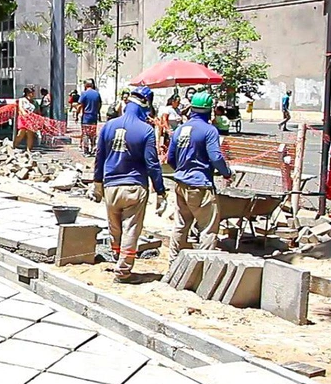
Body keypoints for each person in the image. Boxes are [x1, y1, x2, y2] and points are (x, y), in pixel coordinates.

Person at [89, 86, 167, 284]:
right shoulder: (146, 130)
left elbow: (100, 157)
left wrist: (97, 182)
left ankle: (117, 257)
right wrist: (160, 191)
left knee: (114, 227)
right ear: (145, 106)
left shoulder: (108, 126)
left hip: (111, 186)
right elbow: (152, 163)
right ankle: (123, 272)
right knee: (131, 228)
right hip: (134, 187)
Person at [167, 92, 233, 265]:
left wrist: (182, 171)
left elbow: (170, 158)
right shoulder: (209, 130)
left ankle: (173, 263)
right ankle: (202, 268)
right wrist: (226, 173)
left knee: (181, 225)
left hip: (181, 184)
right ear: (209, 110)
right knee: (208, 228)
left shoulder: (181, 129)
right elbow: (216, 157)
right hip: (200, 187)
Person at [77, 79, 102, 155]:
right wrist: (97, 112)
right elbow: (100, 104)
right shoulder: (97, 94)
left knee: (85, 134)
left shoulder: (84, 94)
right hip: (94, 116)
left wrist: (77, 115)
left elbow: (80, 105)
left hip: (86, 117)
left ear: (86, 85)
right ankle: (94, 148)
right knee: (93, 133)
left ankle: (86, 151)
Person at [13, 86, 38, 151]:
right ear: (27, 93)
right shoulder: (22, 100)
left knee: (30, 134)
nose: (33, 94)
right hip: (23, 119)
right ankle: (14, 146)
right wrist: (25, 114)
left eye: (33, 93)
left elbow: (37, 110)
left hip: (31, 119)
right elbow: (20, 108)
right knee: (21, 132)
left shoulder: (34, 101)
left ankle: (29, 149)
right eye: (31, 93)